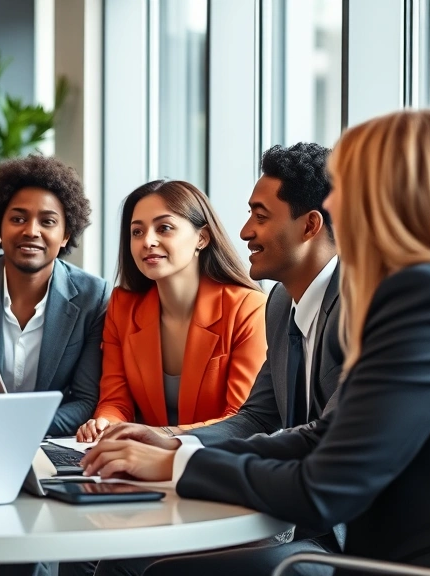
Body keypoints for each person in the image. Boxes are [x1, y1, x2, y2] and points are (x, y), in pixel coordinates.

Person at [81, 109, 430, 574]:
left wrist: (177, 470)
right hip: (380, 547)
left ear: (398, 195)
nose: (334, 206)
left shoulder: (429, 301)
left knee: (158, 568)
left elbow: (324, 488)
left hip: (400, 565)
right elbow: (319, 434)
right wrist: (177, 450)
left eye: (347, 188)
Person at [91, 142, 344, 576]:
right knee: (112, 561)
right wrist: (171, 441)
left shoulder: (359, 309)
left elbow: (326, 441)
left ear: (310, 226)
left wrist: (178, 461)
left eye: (260, 216)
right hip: (298, 516)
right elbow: (255, 417)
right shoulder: (281, 303)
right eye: (136, 230)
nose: (244, 231)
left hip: (346, 533)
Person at [0, 154, 110, 436]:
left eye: (48, 221)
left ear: (66, 235)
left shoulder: (93, 297)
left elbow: (85, 401)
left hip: (48, 444)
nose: (31, 231)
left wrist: (14, 424)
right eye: (18, 218)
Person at [76, 180, 266, 442]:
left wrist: (163, 435)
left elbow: (241, 418)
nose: (148, 241)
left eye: (164, 228)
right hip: (145, 461)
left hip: (218, 463)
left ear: (202, 237)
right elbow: (116, 401)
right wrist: (104, 424)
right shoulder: (122, 306)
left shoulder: (247, 308)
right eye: (137, 232)